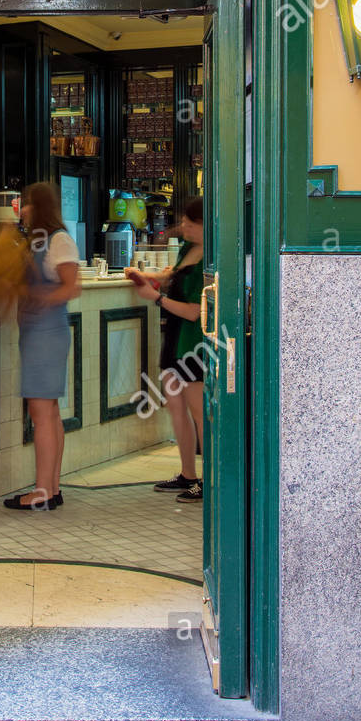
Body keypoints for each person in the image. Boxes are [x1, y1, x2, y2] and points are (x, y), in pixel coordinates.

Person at [4, 182, 81, 512]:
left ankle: (42, 492)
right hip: (37, 333)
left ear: (41, 207)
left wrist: (36, 297)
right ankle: (52, 487)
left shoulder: (59, 240)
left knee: (41, 414)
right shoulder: (36, 241)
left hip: (46, 334)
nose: (22, 210)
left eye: (27, 205)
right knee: (49, 412)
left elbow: (71, 287)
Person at [128, 197, 205, 503]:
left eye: (189, 222)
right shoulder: (188, 250)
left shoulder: (210, 260)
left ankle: (211, 480)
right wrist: (148, 277)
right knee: (175, 408)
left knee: (200, 413)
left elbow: (195, 312)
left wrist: (155, 298)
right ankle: (188, 473)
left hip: (192, 341)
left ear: (203, 225)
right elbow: (171, 275)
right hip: (174, 337)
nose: (182, 226)